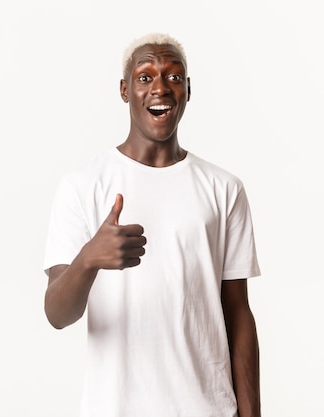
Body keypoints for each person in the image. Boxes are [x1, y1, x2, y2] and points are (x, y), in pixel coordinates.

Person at [43, 33, 262, 417]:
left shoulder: (224, 189)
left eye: (174, 77)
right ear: (125, 90)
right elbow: (58, 314)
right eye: (145, 77)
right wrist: (88, 260)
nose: (160, 87)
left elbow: (238, 313)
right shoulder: (83, 186)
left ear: (188, 90)